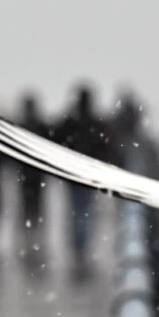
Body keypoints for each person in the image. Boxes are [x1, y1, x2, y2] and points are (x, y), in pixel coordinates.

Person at [54, 82, 108, 275]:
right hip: (88, 178)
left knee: (77, 215)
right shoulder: (94, 123)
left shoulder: (71, 122)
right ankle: (81, 253)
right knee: (85, 215)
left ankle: (79, 253)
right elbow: (105, 148)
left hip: (74, 177)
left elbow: (56, 140)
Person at [16, 92, 49, 250]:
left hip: (27, 175)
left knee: (28, 206)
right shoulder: (39, 126)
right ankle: (34, 235)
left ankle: (30, 235)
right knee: (35, 206)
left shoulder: (21, 126)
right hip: (35, 175)